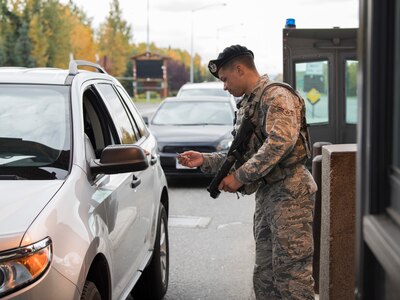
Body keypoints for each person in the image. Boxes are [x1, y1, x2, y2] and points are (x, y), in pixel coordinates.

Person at [178, 45, 317, 299]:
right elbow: (242, 156)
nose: (224, 86)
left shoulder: (276, 97)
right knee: (265, 277)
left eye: (225, 79)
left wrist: (239, 177)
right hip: (268, 195)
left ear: (239, 69)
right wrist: (204, 160)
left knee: (292, 279)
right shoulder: (251, 104)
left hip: (290, 195)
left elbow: (279, 144)